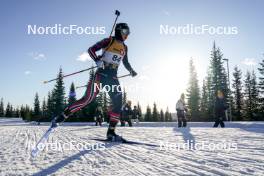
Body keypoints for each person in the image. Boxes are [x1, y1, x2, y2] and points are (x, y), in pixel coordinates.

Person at [51, 23, 137, 142]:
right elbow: (91, 50)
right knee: (87, 100)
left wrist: (131, 70)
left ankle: (111, 133)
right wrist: (97, 60)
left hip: (112, 78)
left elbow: (126, 62)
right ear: (119, 30)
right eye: (126, 32)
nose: (127, 35)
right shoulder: (109, 41)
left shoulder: (125, 48)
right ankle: (62, 116)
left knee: (118, 104)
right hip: (101, 76)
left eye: (128, 33)